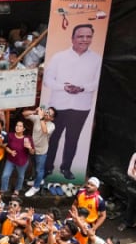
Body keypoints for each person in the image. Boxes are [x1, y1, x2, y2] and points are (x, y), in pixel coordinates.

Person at [41, 24, 101, 181]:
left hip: (81, 106)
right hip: (58, 105)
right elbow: (47, 80)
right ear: (72, 38)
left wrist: (82, 88)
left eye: (88, 36)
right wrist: (63, 87)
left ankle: (66, 168)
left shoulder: (96, 59)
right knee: (53, 138)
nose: (84, 39)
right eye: (80, 36)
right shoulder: (59, 57)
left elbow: (97, 82)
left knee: (72, 139)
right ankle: (47, 168)